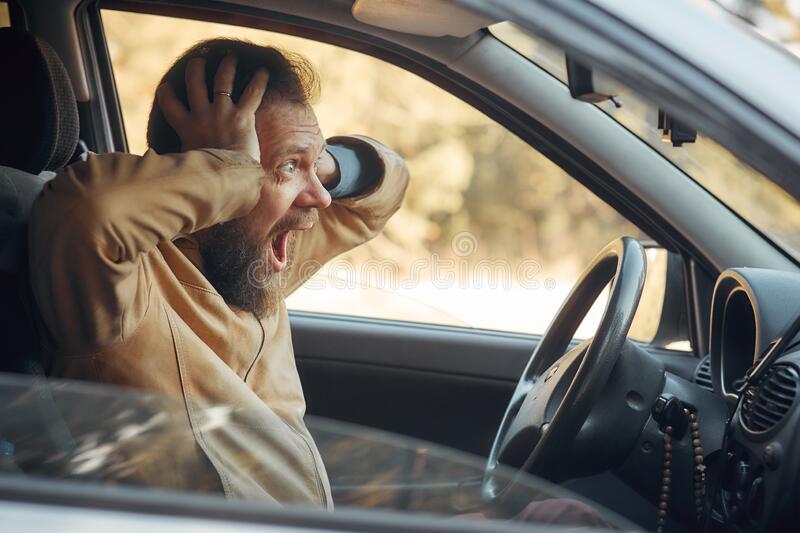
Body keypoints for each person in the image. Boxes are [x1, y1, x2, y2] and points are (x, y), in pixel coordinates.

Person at [28, 39, 408, 506]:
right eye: (287, 168)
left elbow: (384, 192)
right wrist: (233, 164)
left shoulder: (256, 261)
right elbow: (88, 211)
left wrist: (309, 160)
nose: (321, 198)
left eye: (316, 171)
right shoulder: (123, 288)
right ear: (207, 169)